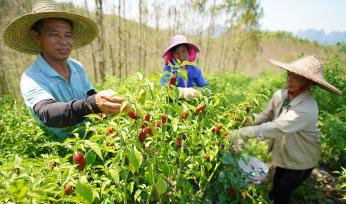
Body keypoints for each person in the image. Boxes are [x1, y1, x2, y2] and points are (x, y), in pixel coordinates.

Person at [2, 1, 126, 139]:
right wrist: (94, 104)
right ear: (36, 36)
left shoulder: (77, 67)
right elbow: (48, 114)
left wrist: (107, 111)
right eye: (54, 34)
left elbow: (91, 94)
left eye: (68, 35)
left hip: (93, 138)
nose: (64, 41)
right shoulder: (31, 78)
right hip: (63, 150)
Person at [228, 56, 342, 204]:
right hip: (284, 154)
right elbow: (265, 116)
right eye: (289, 74)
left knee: (283, 192)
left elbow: (277, 127)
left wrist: (238, 134)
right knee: (276, 186)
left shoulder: (307, 107)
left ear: (308, 82)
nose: (290, 79)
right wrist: (248, 119)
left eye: (296, 77)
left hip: (301, 159)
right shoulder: (280, 95)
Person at [160, 34, 208, 100]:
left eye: (183, 51)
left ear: (188, 53)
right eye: (177, 52)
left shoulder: (195, 70)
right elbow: (164, 89)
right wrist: (181, 92)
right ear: (172, 55)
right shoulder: (168, 69)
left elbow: (205, 86)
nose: (181, 55)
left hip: (193, 103)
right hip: (175, 104)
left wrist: (197, 91)